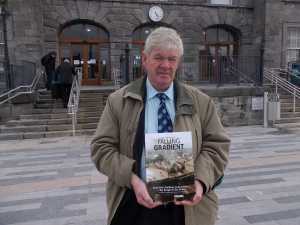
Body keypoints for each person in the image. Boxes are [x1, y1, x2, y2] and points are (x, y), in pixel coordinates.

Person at [91, 27, 230, 225]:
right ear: (145, 59)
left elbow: (217, 146)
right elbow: (101, 149)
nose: (165, 65)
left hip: (187, 210)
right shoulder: (118, 101)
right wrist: (132, 179)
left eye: (172, 59)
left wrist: (199, 182)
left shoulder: (201, 102)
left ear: (178, 62)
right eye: (159, 57)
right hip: (134, 203)